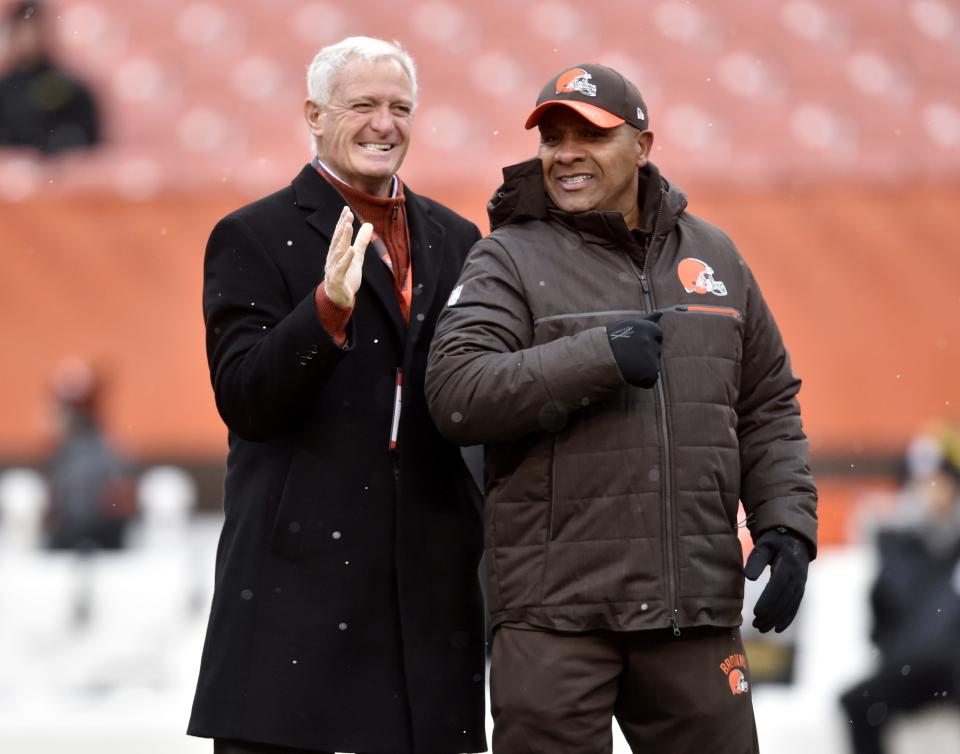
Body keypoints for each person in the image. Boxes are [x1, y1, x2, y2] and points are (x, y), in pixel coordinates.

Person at [426, 63, 818, 753]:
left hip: (691, 617)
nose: (566, 152)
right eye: (553, 136)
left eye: (591, 134)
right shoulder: (506, 258)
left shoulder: (715, 254)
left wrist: (786, 524)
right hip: (555, 621)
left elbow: (766, 404)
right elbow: (457, 394)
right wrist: (596, 356)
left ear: (643, 145)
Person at [188, 37, 486, 754]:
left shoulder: (456, 237)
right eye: (364, 105)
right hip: (298, 590)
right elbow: (246, 399)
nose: (385, 124)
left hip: (428, 591)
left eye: (400, 108)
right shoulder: (254, 235)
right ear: (315, 115)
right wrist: (325, 310)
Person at [839, 429, 960, 754]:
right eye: (922, 481)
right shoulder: (896, 543)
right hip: (913, 666)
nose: (930, 490)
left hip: (955, 665)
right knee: (857, 703)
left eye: (939, 479)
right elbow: (880, 615)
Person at [44, 357, 135, 553]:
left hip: (101, 533)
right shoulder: (63, 450)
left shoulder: (107, 448)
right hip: (70, 531)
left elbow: (120, 495)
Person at [0, 0, 100, 154]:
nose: (28, 39)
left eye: (34, 31)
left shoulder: (69, 88)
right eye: (22, 31)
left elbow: (86, 142)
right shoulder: (4, 90)